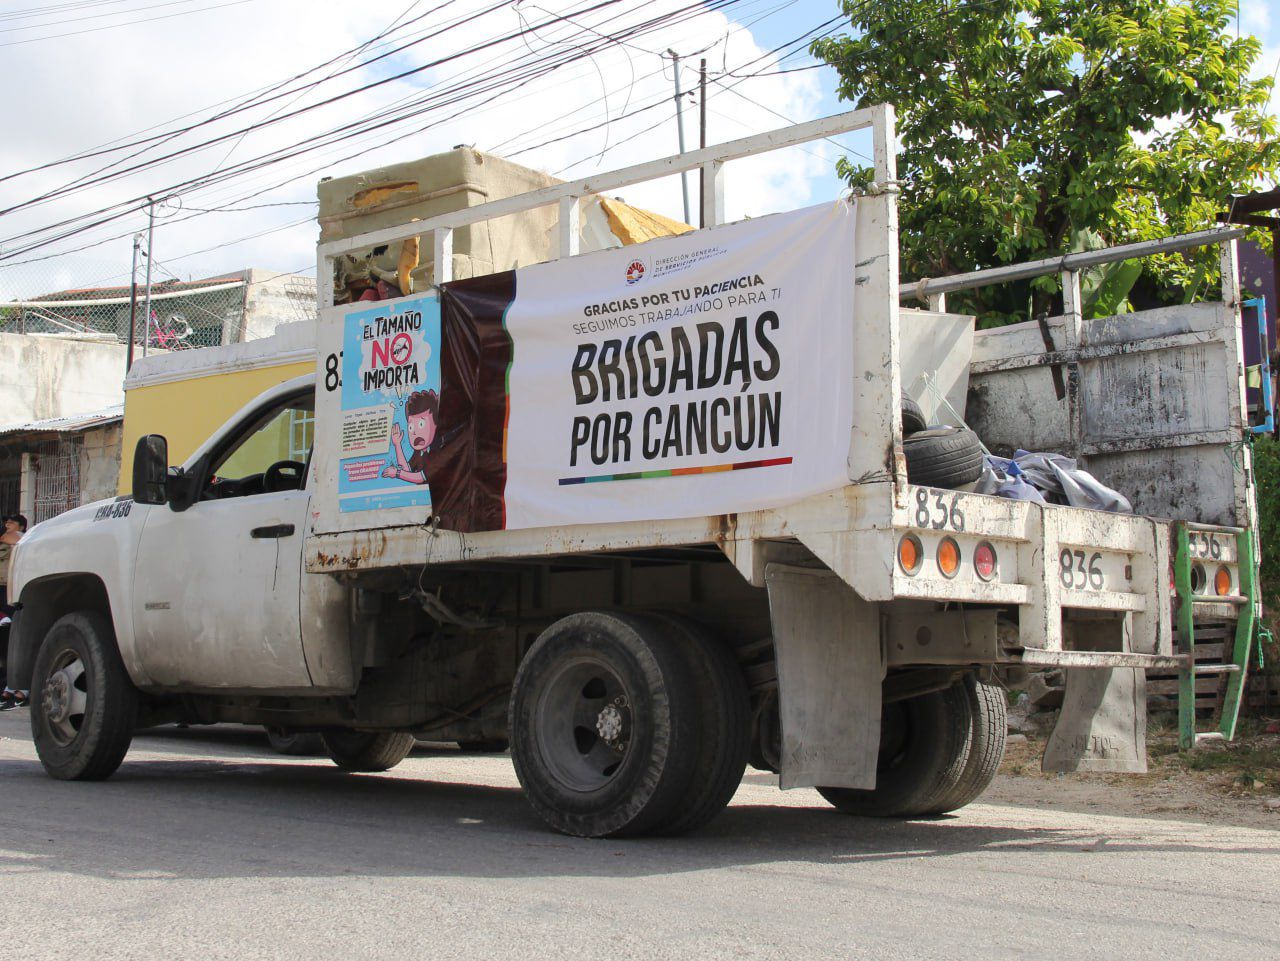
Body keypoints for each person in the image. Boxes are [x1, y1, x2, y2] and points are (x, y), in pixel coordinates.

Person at [1, 513, 29, 711]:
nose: (7, 524)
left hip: (12, 590)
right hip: (2, 590)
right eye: (6, 521)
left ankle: (17, 688)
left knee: (13, 640)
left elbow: (11, 539)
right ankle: (8, 687)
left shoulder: (22, 538)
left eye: (11, 521)